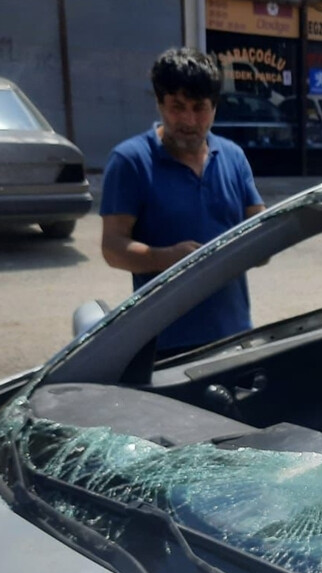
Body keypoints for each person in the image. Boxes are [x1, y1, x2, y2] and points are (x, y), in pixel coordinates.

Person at [100, 47, 265, 358]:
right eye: (177, 106)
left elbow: (258, 225)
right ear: (160, 103)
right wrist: (168, 258)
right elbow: (113, 248)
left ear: (215, 107)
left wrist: (260, 244)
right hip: (164, 344)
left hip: (233, 335)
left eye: (199, 107)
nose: (189, 120)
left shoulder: (233, 157)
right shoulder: (131, 160)